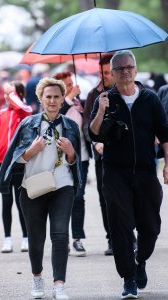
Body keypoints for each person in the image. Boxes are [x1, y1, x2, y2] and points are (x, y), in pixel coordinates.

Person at [89, 50, 168, 299]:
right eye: (120, 68)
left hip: (146, 171)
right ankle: (129, 278)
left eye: (129, 67)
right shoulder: (104, 99)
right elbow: (93, 134)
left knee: (151, 227)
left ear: (135, 69)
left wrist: (167, 164)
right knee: (121, 227)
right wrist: (101, 110)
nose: (125, 71)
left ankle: (140, 260)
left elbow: (165, 133)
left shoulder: (150, 99)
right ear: (111, 74)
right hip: (115, 172)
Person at [0, 77, 82, 300]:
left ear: (63, 99)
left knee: (61, 235)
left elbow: (75, 162)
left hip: (63, 186)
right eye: (48, 97)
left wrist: (71, 152)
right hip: (32, 187)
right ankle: (37, 278)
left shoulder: (70, 126)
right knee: (36, 238)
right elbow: (13, 158)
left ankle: (59, 285)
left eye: (56, 97)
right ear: (41, 99)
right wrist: (31, 152)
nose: (52, 101)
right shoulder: (27, 124)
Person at [0, 81, 32, 253]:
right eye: (5, 94)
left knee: (22, 202)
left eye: (11, 93)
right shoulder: (0, 114)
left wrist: (17, 100)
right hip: (2, 163)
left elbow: (27, 110)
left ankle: (26, 238)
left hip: (20, 163)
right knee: (6, 202)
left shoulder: (25, 112)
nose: (7, 97)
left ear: (20, 94)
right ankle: (7, 239)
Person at [53, 71, 90, 257]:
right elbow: (57, 116)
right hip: (62, 158)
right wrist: (68, 96)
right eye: (66, 85)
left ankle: (77, 238)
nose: (70, 86)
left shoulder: (78, 103)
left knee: (78, 197)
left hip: (82, 157)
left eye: (70, 83)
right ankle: (62, 238)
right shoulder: (57, 103)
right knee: (62, 198)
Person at [83, 53, 115, 255]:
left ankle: (130, 236)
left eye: (107, 72)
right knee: (105, 199)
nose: (103, 76)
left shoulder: (126, 92)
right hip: (101, 156)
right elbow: (87, 124)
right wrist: (95, 142)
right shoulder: (93, 95)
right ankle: (112, 238)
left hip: (124, 155)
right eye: (101, 73)